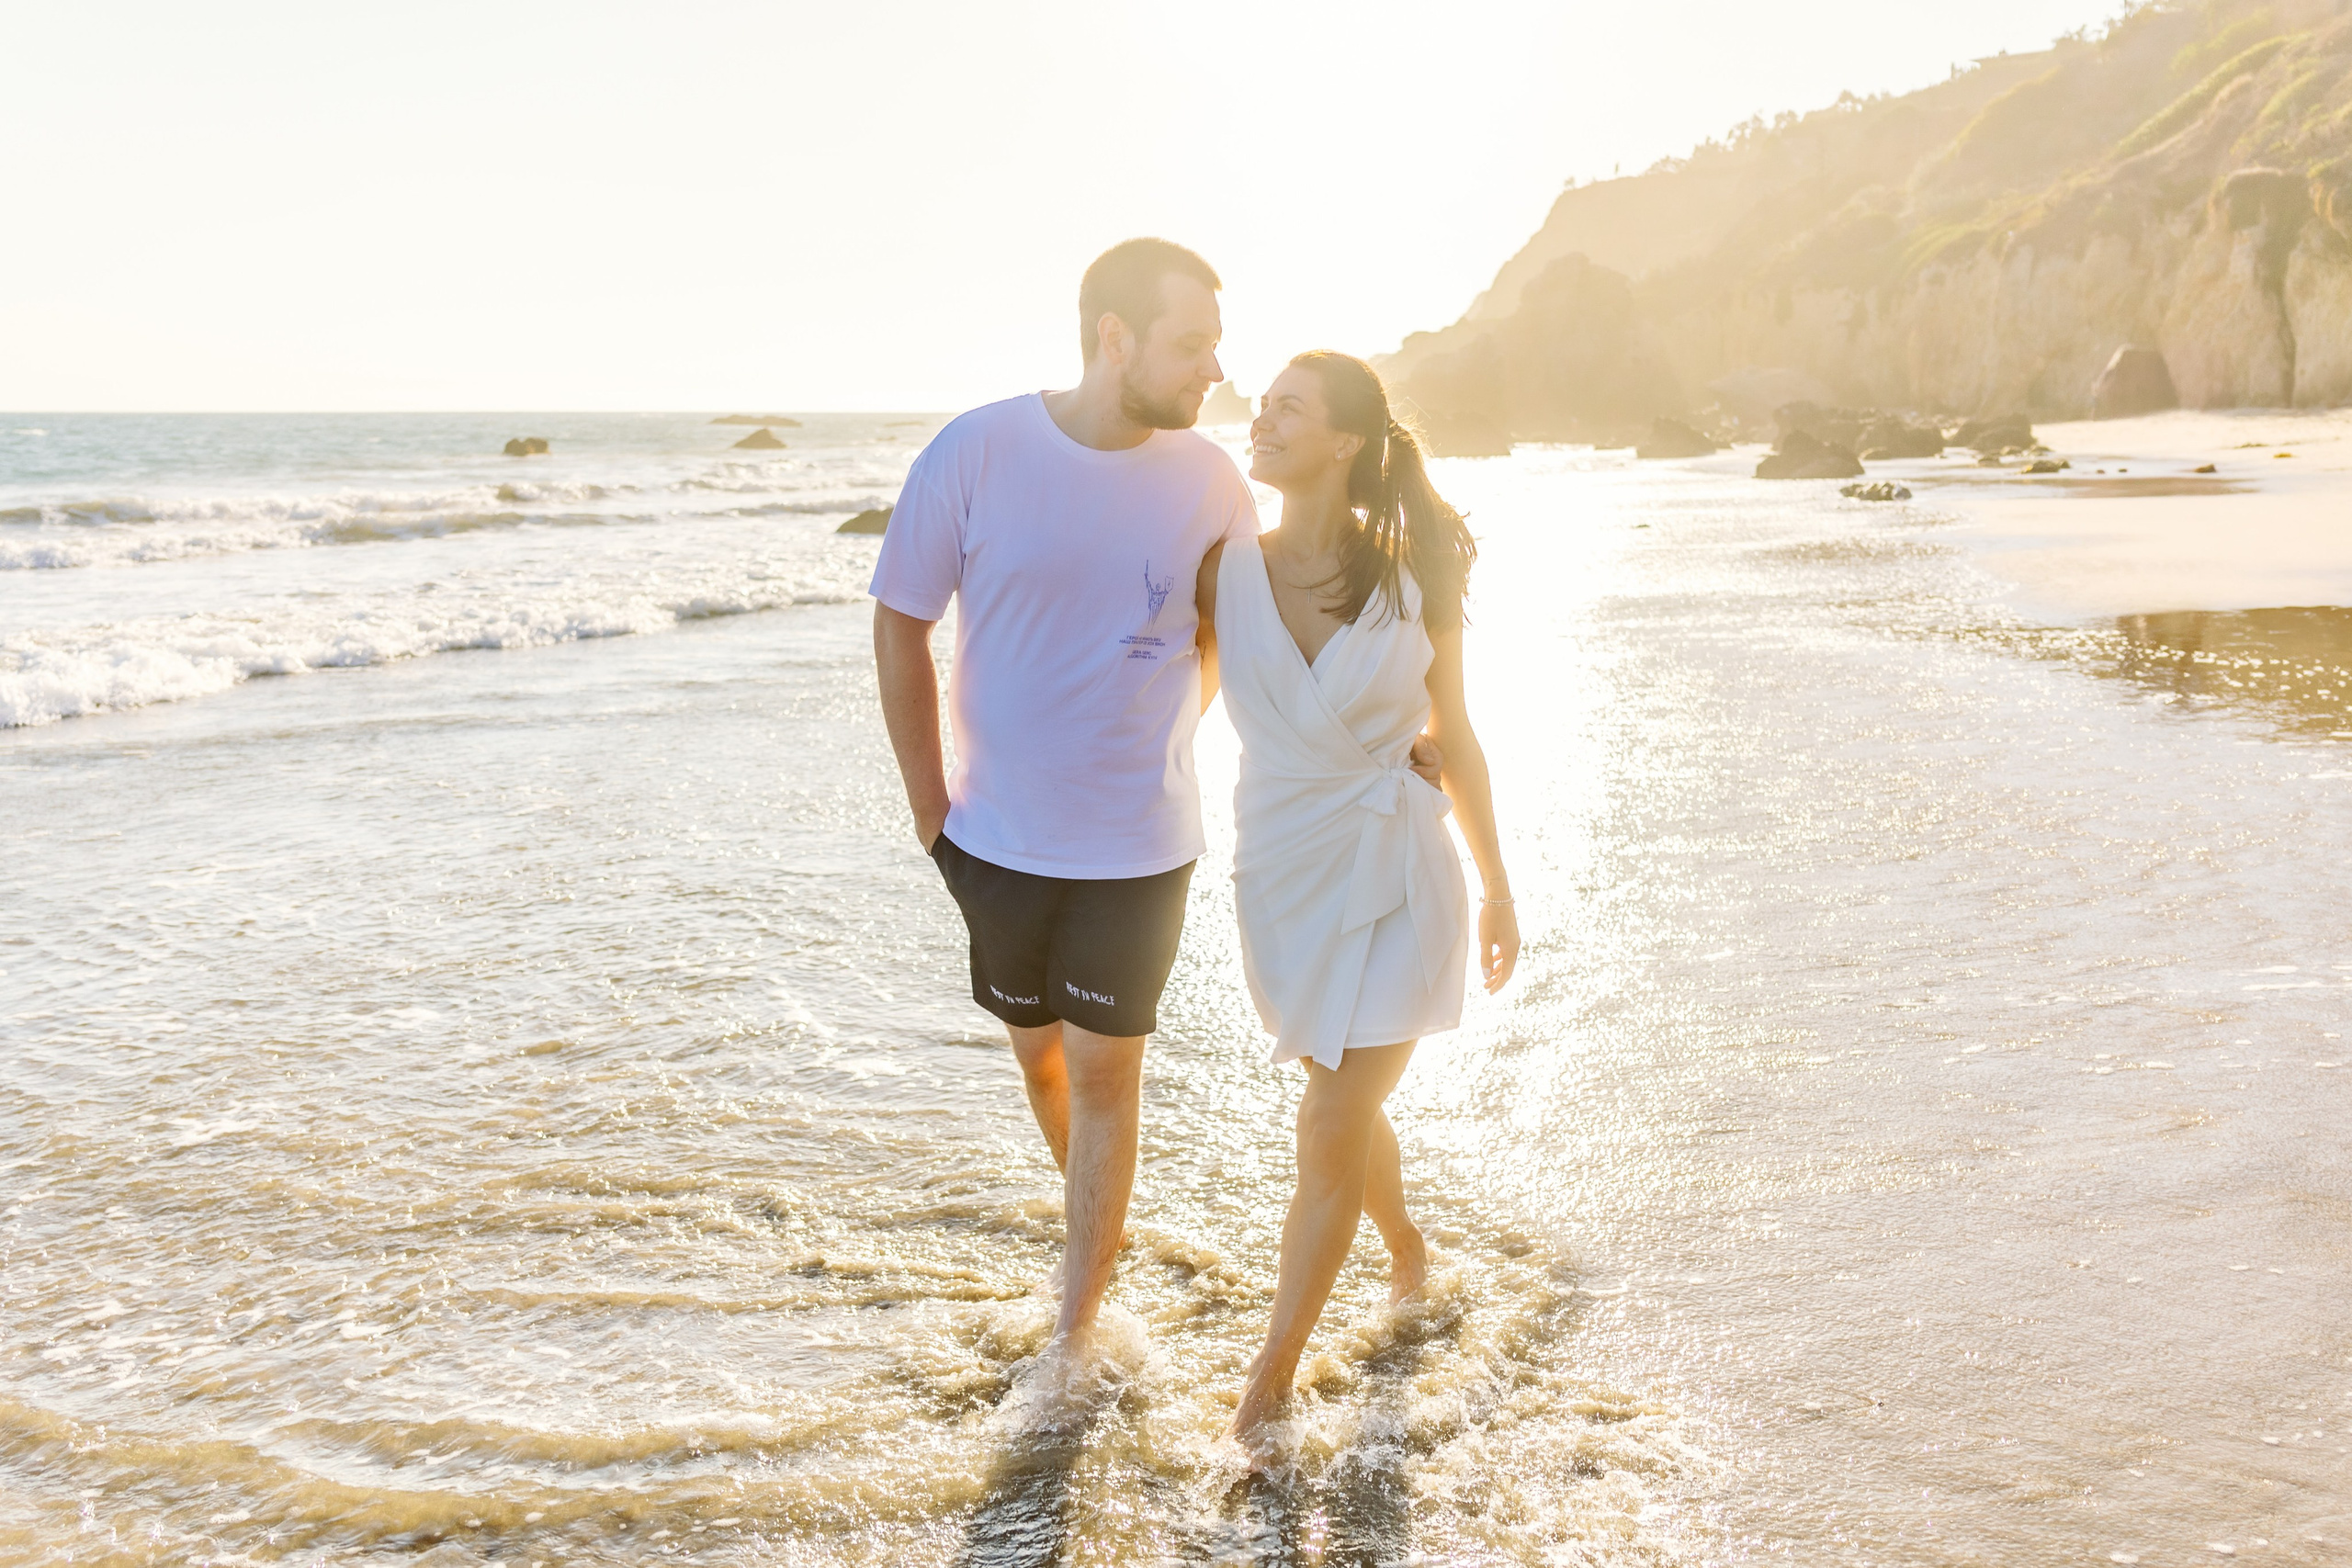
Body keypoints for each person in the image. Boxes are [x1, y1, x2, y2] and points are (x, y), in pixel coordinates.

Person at [873, 240, 1422, 1356]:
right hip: (988, 842)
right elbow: (900, 617)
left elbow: (1272, 619)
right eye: (1190, 344)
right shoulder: (975, 450)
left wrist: (1402, 734)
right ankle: (1098, 1229)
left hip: (1140, 843)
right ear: (1113, 337)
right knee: (1038, 1059)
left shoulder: (1208, 481)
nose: (1212, 369)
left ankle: (1074, 1333)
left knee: (1109, 1073)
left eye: (1216, 345)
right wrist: (928, 807)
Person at [1195, 350, 1520, 1452]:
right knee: (1346, 1102)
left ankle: (1267, 1385)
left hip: (1399, 874)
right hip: (1281, 873)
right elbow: (1147, 686)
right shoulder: (1219, 568)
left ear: (1342, 440)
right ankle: (1408, 1246)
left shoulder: (1414, 572)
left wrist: (1496, 889)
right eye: (1265, 406)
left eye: (1289, 408)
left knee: (1328, 1119)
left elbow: (1457, 736)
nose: (1264, 420)